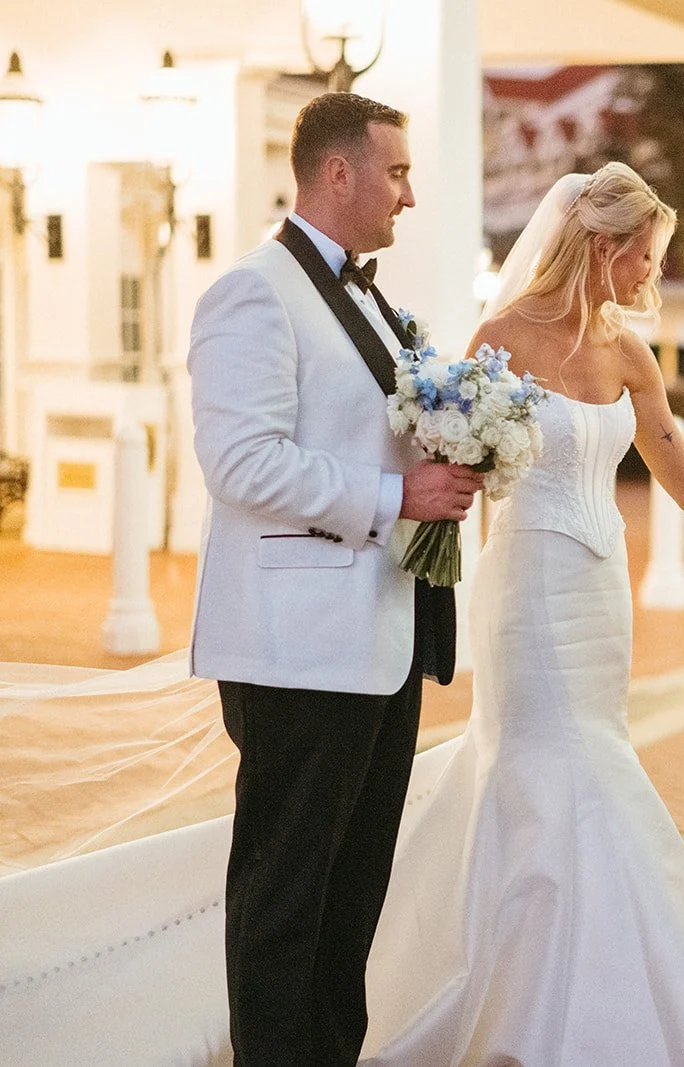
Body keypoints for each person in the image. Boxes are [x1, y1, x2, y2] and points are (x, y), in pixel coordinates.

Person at [355, 162, 684, 1066]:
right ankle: (529, 1009)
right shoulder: (497, 337)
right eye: (645, 259)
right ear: (605, 245)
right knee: (553, 772)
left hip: (599, 592)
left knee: (595, 752)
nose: (650, 278)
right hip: (527, 587)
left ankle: (587, 994)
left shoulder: (631, 351)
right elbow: (451, 463)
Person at [187, 91, 484, 1066]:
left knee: (348, 903)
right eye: (396, 172)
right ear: (339, 172)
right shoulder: (254, 292)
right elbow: (243, 463)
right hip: (296, 646)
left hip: (379, 638)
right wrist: (398, 495)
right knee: (286, 903)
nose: (408, 195)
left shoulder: (366, 296)